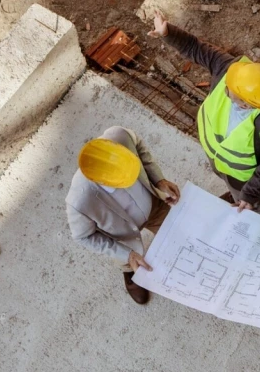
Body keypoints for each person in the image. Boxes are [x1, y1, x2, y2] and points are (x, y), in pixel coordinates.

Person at [147, 11, 260, 221]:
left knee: (253, 205)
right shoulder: (232, 70)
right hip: (219, 162)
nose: (224, 87)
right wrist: (168, 32)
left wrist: (250, 192)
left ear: (246, 104)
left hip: (243, 180)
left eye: (229, 92)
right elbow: (196, 48)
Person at [65, 126, 181, 305]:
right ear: (103, 181)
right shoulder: (79, 202)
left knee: (177, 234)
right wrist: (126, 255)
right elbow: (83, 236)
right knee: (127, 260)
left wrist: (158, 180)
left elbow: (140, 148)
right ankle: (129, 271)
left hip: (154, 207)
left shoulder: (120, 136)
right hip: (122, 237)